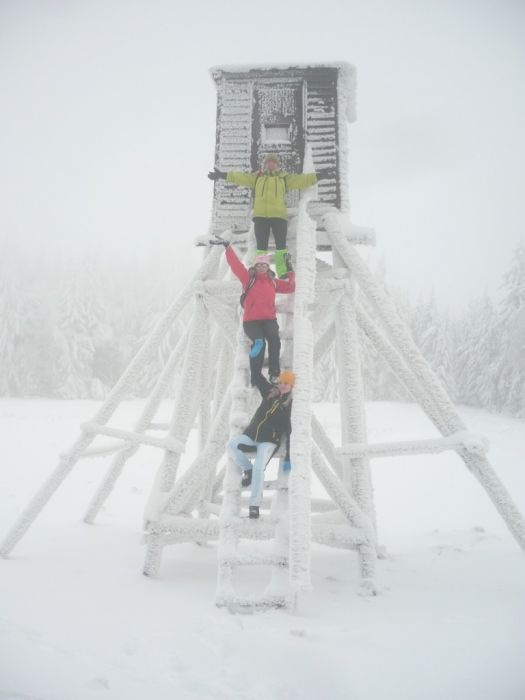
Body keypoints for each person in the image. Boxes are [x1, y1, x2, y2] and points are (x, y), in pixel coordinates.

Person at [208, 153, 333, 278]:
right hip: (261, 218)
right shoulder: (257, 178)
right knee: (261, 247)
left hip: (279, 218)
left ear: (277, 165)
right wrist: (222, 175)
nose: (270, 164)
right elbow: (240, 177)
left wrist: (319, 176)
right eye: (268, 162)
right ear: (265, 165)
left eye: (273, 162)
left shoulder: (284, 178)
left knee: (281, 246)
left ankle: (282, 272)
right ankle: (261, 273)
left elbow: (302, 180)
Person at [213, 237, 295, 385]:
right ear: (255, 267)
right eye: (259, 265)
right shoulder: (248, 279)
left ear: (268, 267)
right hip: (251, 322)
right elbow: (236, 265)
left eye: (265, 265)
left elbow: (290, 287)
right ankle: (255, 376)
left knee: (275, 341)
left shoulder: (273, 282)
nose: (262, 267)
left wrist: (290, 269)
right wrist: (227, 248)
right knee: (259, 343)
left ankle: (274, 374)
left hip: (269, 320)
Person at [227, 371, 295, 519]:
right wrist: (257, 351)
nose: (283, 386)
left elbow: (290, 432)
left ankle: (254, 505)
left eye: (287, 384)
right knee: (232, 445)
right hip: (252, 436)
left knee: (260, 466)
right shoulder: (269, 393)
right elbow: (257, 377)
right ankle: (247, 469)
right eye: (281, 382)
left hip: (269, 441)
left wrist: (289, 456)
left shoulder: (290, 406)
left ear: (291, 386)